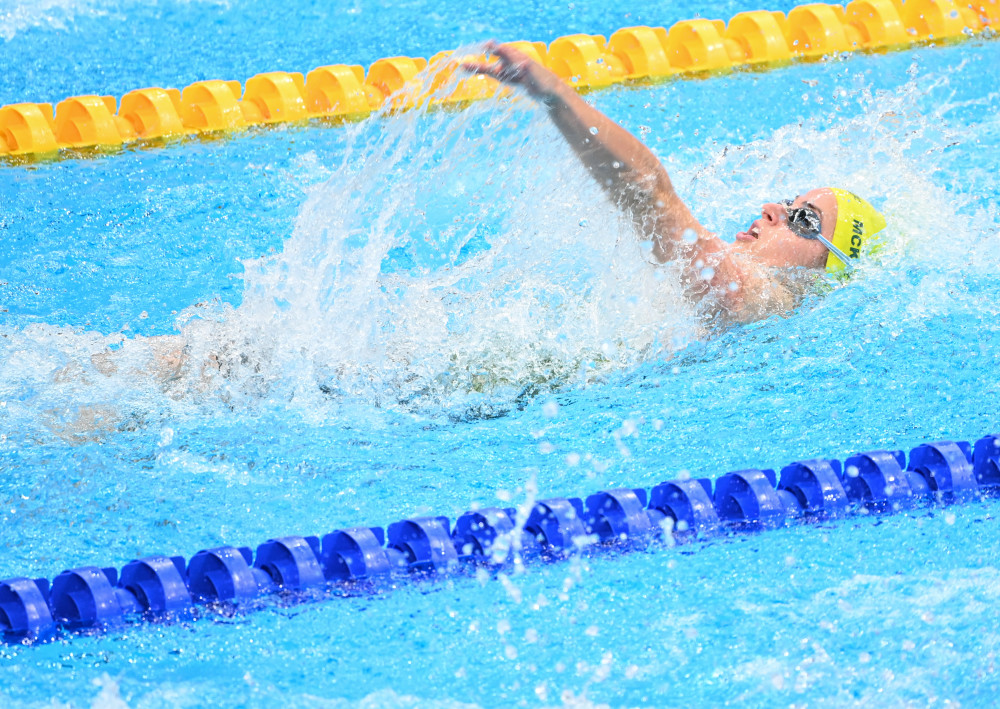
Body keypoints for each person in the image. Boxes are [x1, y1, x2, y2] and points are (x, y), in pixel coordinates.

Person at [464, 42, 887, 323]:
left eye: (804, 221)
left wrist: (557, 95)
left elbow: (649, 192)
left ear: (825, 272)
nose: (772, 210)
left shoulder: (768, 301)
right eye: (786, 204)